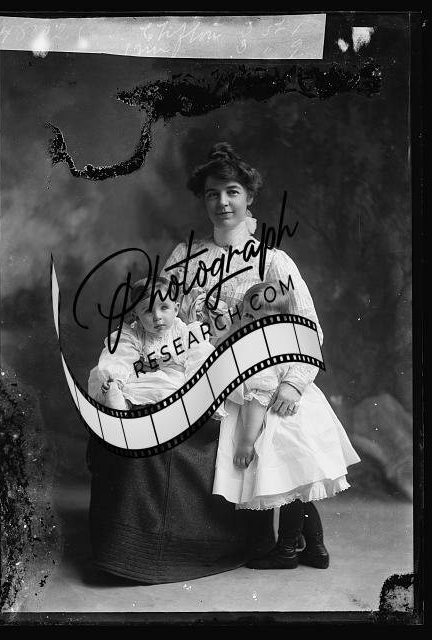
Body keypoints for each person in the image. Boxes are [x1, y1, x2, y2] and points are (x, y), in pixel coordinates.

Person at [86, 142, 336, 582]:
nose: (222, 202)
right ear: (203, 200)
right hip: (195, 374)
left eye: (232, 192)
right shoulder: (186, 258)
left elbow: (307, 328)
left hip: (258, 379)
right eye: (212, 194)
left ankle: (286, 540)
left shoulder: (273, 261)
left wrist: (293, 382)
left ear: (249, 197)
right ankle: (138, 543)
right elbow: (159, 318)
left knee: (281, 441)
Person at [212, 282, 361, 569]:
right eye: (248, 316)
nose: (251, 323)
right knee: (299, 490)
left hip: (279, 422)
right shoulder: (289, 338)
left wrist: (246, 442)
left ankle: (287, 551)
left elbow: (258, 400)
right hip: (304, 419)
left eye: (260, 319)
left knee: (290, 492)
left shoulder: (261, 352)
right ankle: (316, 549)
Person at [87, 276, 215, 410]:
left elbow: (199, 355)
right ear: (136, 316)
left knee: (172, 386)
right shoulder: (134, 333)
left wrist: (198, 385)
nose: (157, 317)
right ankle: (117, 399)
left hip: (173, 378)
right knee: (125, 387)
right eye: (148, 311)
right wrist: (116, 378)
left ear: (176, 309)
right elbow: (121, 355)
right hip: (142, 378)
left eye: (164, 307)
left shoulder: (183, 331)